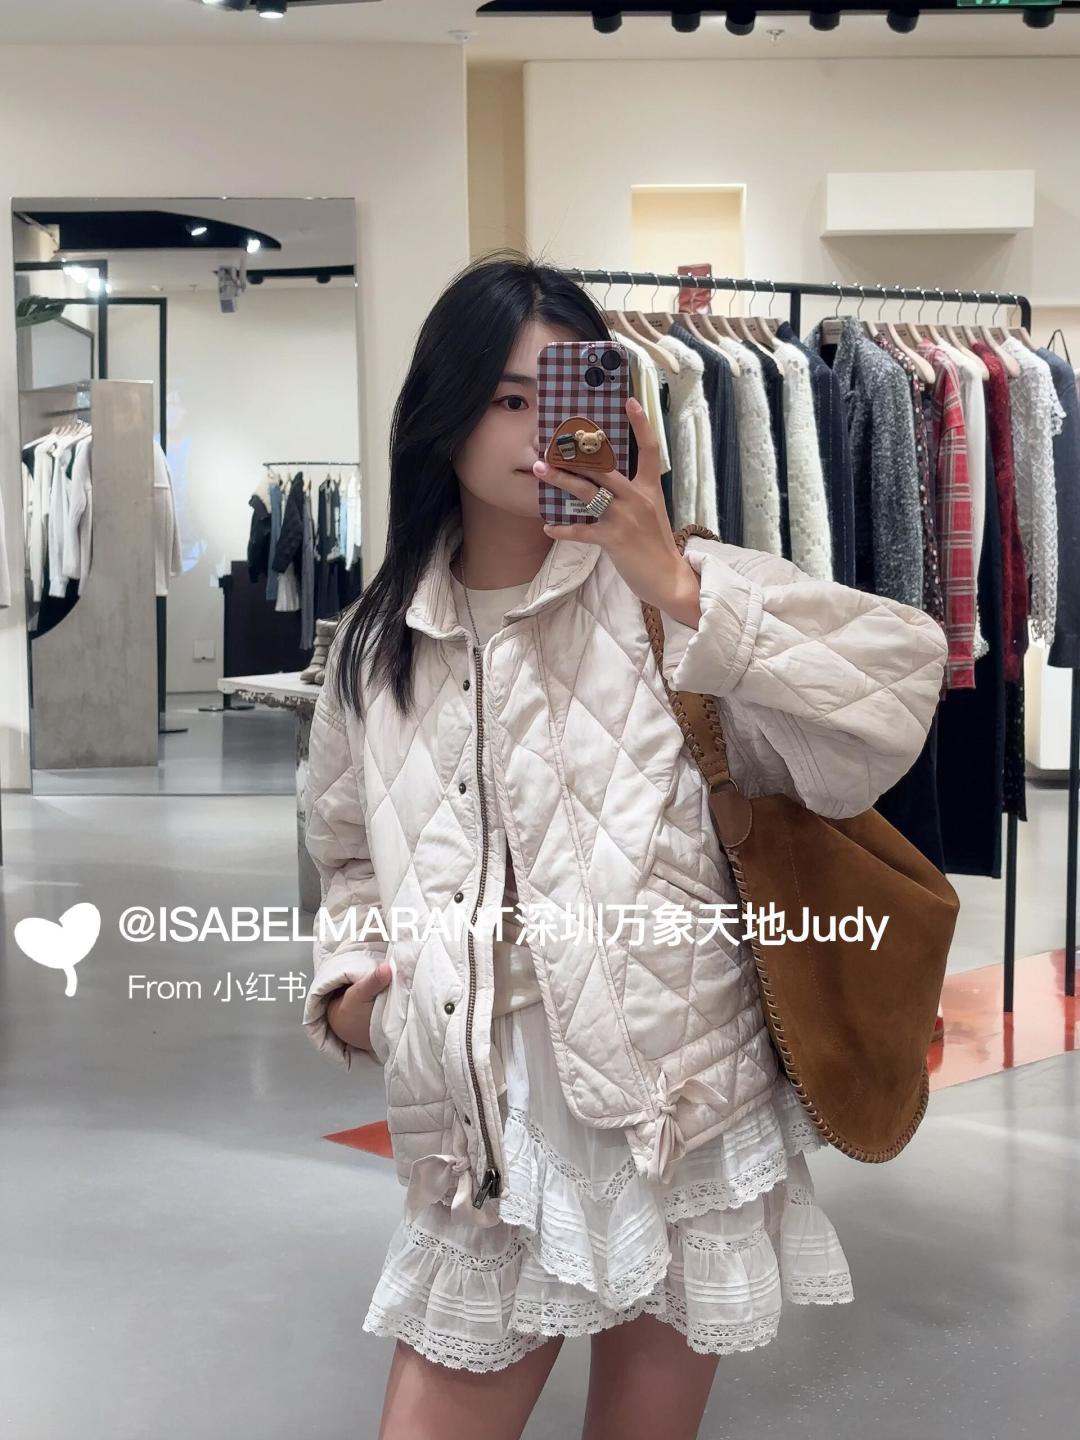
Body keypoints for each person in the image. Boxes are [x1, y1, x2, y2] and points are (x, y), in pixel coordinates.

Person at [301, 251, 949, 1440]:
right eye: (505, 397)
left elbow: (899, 690)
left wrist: (679, 584)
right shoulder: (375, 643)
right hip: (485, 1118)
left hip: (676, 1105)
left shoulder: (677, 588)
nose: (536, 429)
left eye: (560, 393)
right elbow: (347, 857)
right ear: (443, 414)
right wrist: (357, 995)